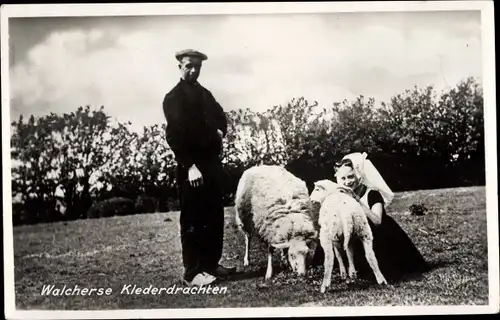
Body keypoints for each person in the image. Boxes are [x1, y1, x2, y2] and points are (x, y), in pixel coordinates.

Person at [162, 49, 236, 286]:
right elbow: (173, 137)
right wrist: (190, 166)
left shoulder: (205, 94)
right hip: (191, 168)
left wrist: (219, 132)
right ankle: (192, 273)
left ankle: (210, 264)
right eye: (188, 66)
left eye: (197, 66)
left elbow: (221, 117)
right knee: (193, 220)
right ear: (179, 67)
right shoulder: (173, 98)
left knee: (214, 217)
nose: (193, 70)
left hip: (212, 165)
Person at [333, 152, 430, 283]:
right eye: (343, 178)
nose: (347, 182)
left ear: (358, 175)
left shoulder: (372, 193)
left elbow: (377, 221)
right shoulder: (341, 195)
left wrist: (358, 202)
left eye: (350, 177)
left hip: (379, 235)